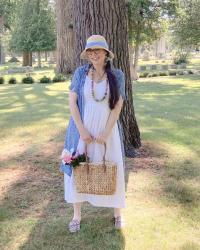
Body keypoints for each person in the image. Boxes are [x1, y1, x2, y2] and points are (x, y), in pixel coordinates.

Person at [59, 35, 126, 233]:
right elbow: (72, 102)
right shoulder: (80, 73)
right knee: (79, 170)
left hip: (108, 132)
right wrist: (82, 130)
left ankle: (118, 214)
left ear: (106, 53)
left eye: (97, 50)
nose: (93, 54)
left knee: (112, 168)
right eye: (90, 51)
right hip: (83, 131)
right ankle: (76, 215)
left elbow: (118, 105)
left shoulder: (117, 75)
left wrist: (106, 132)